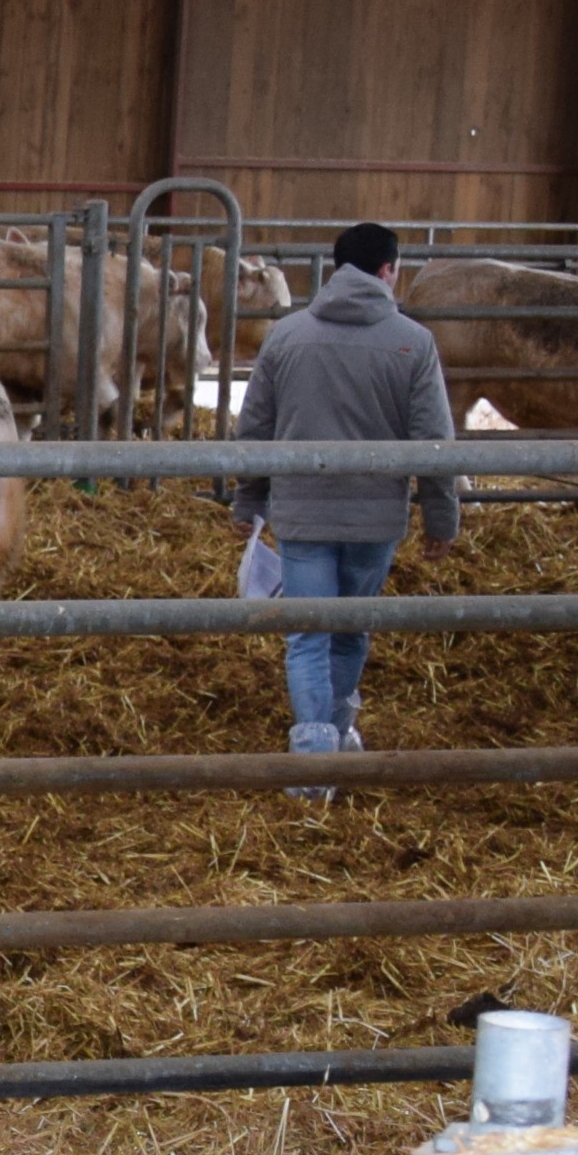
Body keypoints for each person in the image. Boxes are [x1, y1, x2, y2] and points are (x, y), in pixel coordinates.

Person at [233, 220, 458, 797]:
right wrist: (441, 517)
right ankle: (335, 733)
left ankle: (314, 763)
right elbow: (434, 439)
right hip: (374, 519)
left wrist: (249, 497)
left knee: (307, 632)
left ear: (337, 269)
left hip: (303, 514)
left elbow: (255, 426)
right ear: (389, 270)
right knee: (352, 630)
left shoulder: (287, 336)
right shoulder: (413, 342)